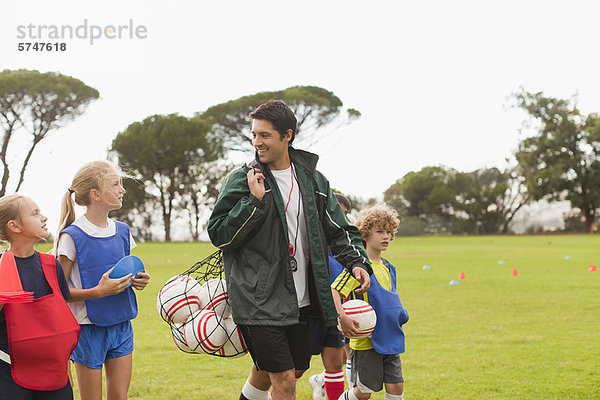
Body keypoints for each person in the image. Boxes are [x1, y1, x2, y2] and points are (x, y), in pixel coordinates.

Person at [207, 100, 373, 400]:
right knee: (283, 379)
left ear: (287, 135)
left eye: (265, 135)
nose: (257, 142)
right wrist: (253, 203)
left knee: (288, 370)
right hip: (258, 297)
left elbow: (340, 229)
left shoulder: (313, 180)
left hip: (303, 299)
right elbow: (219, 234)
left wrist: (357, 262)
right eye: (254, 134)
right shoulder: (243, 179)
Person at [55, 160, 151, 400]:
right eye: (116, 184)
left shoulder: (123, 231)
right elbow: (58, 290)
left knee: (120, 397)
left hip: (121, 324)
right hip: (88, 329)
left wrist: (138, 280)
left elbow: (124, 272)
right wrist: (97, 292)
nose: (122, 189)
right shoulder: (71, 236)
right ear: (95, 194)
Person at [0, 194, 79, 399]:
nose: (44, 217)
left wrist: (65, 369)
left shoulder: (52, 266)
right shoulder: (1, 268)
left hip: (54, 374)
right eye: (35, 214)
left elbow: (60, 323)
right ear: (14, 226)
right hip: (9, 372)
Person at [332, 203, 408, 400]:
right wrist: (342, 318)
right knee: (364, 392)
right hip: (366, 343)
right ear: (364, 234)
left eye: (389, 232)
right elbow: (334, 291)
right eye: (380, 231)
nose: (386, 236)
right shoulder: (358, 268)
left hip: (390, 336)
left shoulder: (389, 267)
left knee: (396, 386)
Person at [308, 193, 354, 400]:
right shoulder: (308, 241)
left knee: (336, 365)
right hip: (308, 313)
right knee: (295, 369)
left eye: (343, 215)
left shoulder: (344, 246)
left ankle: (323, 384)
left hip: (335, 312)